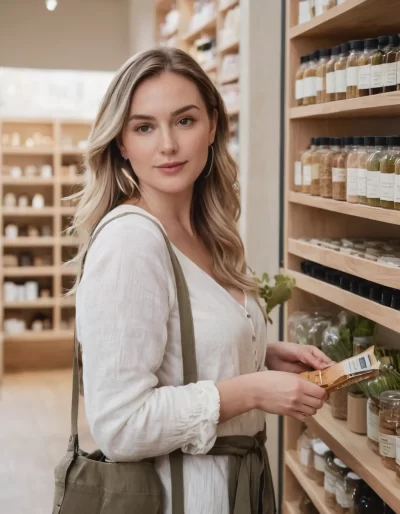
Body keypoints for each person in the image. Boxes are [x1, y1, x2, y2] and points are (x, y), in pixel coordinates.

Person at [71, 47, 333, 514]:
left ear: (212, 124)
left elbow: (176, 342)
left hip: (231, 491)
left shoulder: (210, 232)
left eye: (185, 120)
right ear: (121, 143)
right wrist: (252, 389)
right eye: (144, 127)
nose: (167, 144)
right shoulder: (131, 242)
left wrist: (254, 353)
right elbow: (120, 424)